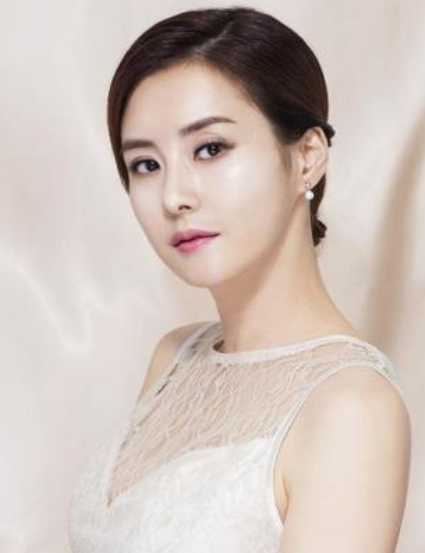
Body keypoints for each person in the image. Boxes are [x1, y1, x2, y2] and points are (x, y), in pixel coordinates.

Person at [68, 6, 411, 552]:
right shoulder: (175, 358)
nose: (174, 196)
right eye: (146, 164)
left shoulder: (351, 407)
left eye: (211, 149)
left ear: (307, 156)